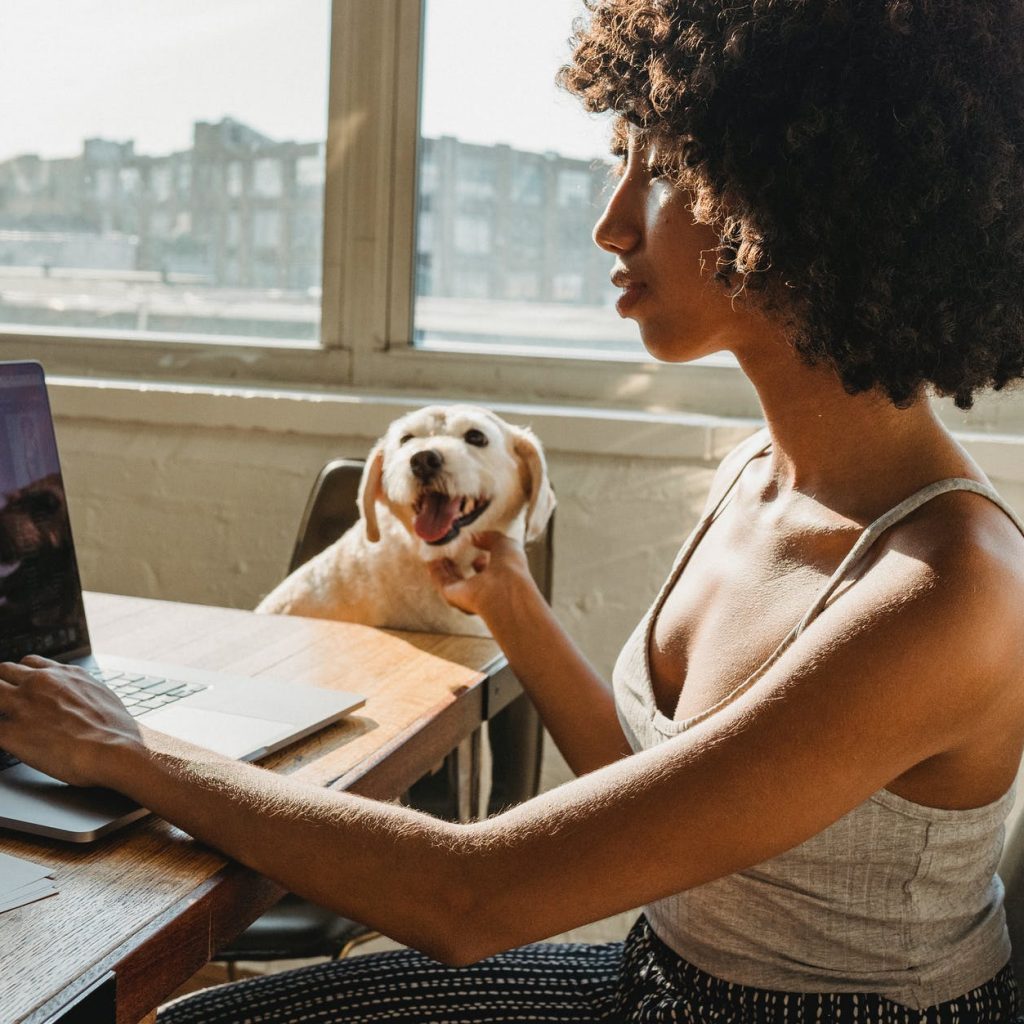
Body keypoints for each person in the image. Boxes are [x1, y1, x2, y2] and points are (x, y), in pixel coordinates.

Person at [3, 1, 1024, 1020]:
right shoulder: (758, 474)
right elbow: (649, 793)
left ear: (815, 196)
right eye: (622, 159)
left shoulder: (951, 589)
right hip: (657, 980)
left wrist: (131, 750)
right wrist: (510, 602)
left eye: (663, 168)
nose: (611, 221)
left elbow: (473, 896)